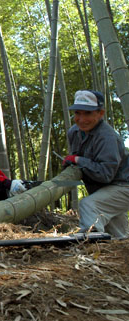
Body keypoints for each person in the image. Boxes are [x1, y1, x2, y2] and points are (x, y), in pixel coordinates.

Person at [64, 90, 129, 239]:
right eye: (77, 113)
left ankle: (92, 245)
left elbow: (105, 174)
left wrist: (78, 160)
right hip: (104, 189)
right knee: (119, 236)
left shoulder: (107, 137)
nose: (81, 119)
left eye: (88, 113)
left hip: (123, 186)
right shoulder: (74, 132)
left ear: (100, 113)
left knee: (89, 205)